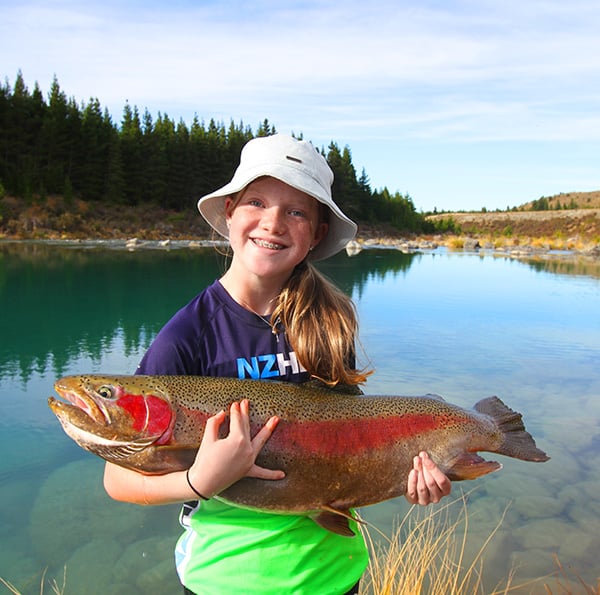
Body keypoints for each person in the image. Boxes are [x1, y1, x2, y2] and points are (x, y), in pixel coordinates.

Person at [103, 134, 451, 595]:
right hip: (225, 581)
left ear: (317, 234)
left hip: (335, 575)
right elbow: (118, 480)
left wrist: (405, 472)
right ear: (229, 212)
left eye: (297, 212)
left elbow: (351, 436)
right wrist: (198, 480)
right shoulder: (186, 337)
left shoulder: (329, 323)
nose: (273, 223)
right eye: (257, 202)